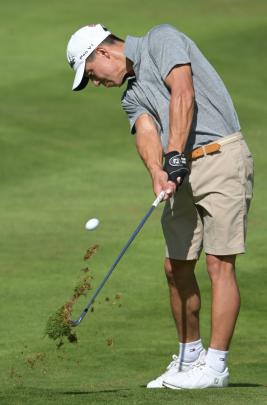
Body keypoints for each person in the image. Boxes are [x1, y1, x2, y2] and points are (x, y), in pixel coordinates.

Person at [66, 23, 254, 389]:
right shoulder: (130, 94)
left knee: (219, 262)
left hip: (220, 156)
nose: (97, 84)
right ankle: (188, 360)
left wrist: (174, 155)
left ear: (102, 53)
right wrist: (158, 171)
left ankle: (215, 368)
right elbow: (147, 131)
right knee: (175, 267)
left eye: (91, 74)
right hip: (178, 170)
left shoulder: (161, 40)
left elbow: (184, 93)